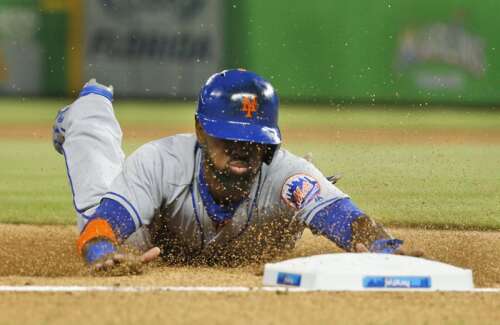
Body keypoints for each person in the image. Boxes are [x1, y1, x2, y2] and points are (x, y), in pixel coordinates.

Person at [53, 69, 414, 274]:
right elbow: (105, 226)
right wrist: (100, 253)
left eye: (253, 138)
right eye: (229, 135)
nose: (242, 147)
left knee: (299, 200)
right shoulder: (161, 162)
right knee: (93, 210)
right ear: (200, 130)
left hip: (252, 227)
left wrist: (384, 245)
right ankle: (89, 109)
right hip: (148, 237)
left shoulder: (287, 173)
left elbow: (350, 220)